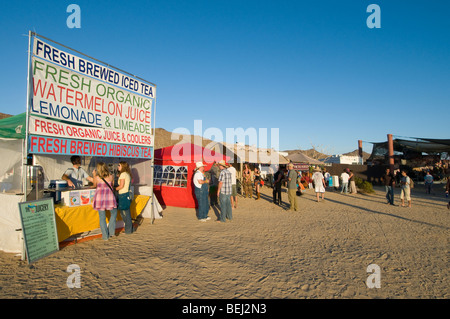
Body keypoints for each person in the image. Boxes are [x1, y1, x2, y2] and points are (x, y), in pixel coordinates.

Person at [92, 162, 118, 240]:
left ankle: (105, 236)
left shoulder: (96, 178)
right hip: (109, 197)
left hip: (100, 199)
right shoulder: (111, 176)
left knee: (102, 217)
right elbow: (112, 185)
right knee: (114, 213)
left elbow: (94, 185)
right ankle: (111, 232)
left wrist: (93, 175)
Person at [115, 161, 133, 234]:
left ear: (123, 166)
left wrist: (114, 189)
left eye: (119, 165)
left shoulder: (123, 174)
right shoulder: (126, 174)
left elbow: (121, 186)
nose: (118, 166)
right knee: (126, 213)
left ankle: (128, 230)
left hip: (123, 195)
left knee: (125, 214)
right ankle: (129, 229)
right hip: (126, 194)